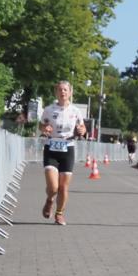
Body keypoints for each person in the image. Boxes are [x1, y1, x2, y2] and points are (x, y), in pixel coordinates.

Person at [39, 81, 87, 226]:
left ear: (70, 92)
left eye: (65, 90)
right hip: (51, 147)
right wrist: (44, 128)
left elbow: (82, 127)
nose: (63, 92)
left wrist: (81, 130)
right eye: (60, 90)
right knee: (53, 187)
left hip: (68, 147)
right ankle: (49, 201)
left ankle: (59, 214)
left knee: (63, 187)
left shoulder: (75, 111)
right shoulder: (48, 109)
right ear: (56, 92)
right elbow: (41, 124)